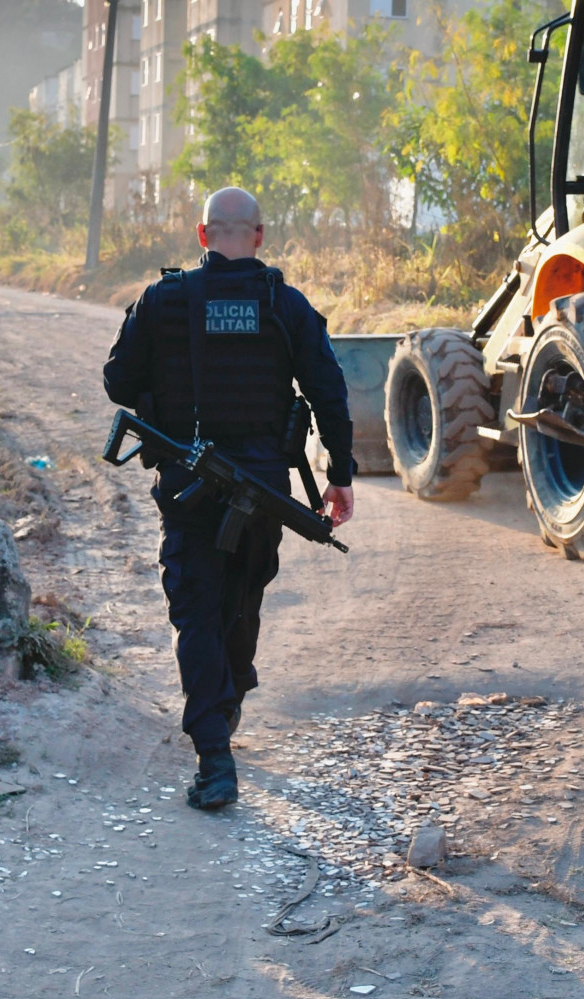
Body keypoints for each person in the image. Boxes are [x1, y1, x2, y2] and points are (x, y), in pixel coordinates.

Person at [102, 187, 356, 811]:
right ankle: (222, 722)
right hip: (263, 489)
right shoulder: (284, 306)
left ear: (202, 234)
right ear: (260, 237)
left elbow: (117, 380)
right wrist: (340, 476)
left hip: (191, 488)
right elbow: (329, 392)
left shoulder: (163, 301)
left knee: (198, 607)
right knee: (239, 597)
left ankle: (216, 741)